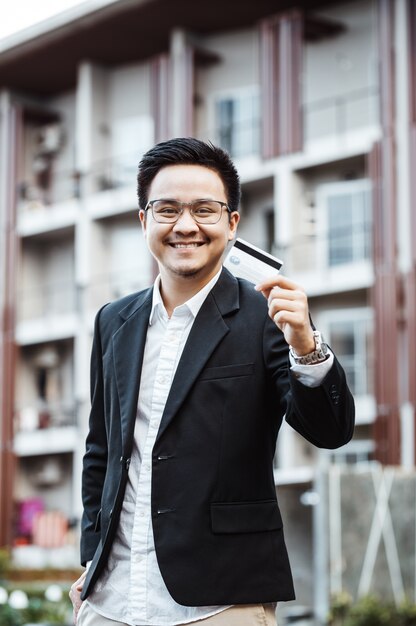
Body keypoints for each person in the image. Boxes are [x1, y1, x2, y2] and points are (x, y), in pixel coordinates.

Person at [70, 137, 355, 626]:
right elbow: (102, 449)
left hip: (221, 602)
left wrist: (307, 347)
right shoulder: (112, 320)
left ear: (231, 222)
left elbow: (331, 432)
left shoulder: (268, 316)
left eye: (204, 209)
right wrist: (92, 559)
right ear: (144, 221)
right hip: (111, 600)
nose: (185, 225)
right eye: (167, 209)